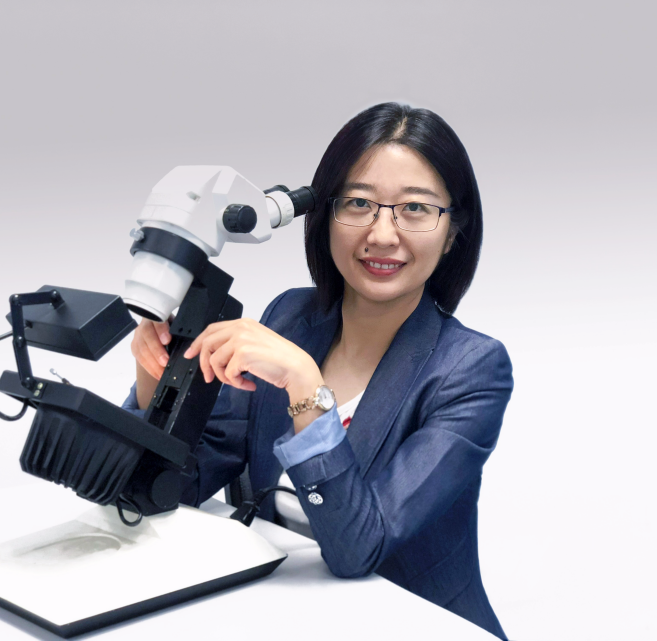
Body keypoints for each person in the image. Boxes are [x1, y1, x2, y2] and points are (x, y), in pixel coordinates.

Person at [122, 102, 513, 640]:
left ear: (452, 232)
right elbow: (180, 486)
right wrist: (155, 376)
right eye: (359, 203)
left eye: (415, 209)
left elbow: (359, 548)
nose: (382, 234)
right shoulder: (290, 317)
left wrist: (307, 388)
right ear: (325, 216)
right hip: (296, 619)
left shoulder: (470, 370)